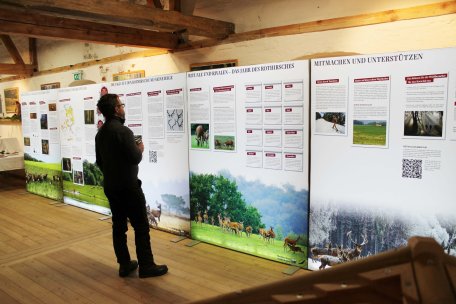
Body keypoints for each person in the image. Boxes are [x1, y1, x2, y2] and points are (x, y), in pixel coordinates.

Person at [95, 93, 168, 278]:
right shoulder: (124, 132)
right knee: (141, 226)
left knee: (118, 227)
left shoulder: (100, 134)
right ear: (116, 109)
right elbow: (135, 157)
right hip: (129, 187)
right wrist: (140, 149)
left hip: (111, 187)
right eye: (121, 105)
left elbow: (100, 162)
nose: (123, 108)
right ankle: (146, 265)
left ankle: (124, 265)